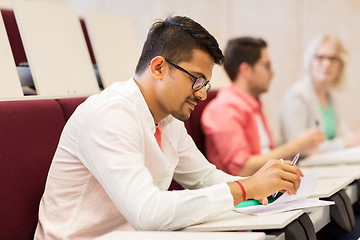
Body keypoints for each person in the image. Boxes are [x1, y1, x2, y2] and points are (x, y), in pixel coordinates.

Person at [35, 17, 303, 239]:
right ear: (159, 67)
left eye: (206, 84)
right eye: (197, 80)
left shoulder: (168, 119)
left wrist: (261, 186)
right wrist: (246, 188)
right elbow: (147, 213)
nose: (202, 94)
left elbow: (204, 178)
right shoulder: (111, 115)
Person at [201, 37, 325, 177]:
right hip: (245, 194)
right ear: (246, 70)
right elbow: (242, 169)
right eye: (266, 66)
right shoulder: (223, 109)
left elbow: (264, 153)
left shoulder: (253, 103)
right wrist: (297, 145)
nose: (272, 72)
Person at [280, 34, 360, 154]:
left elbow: (343, 135)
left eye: (333, 59)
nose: (327, 64)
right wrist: (346, 143)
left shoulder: (331, 96)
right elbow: (296, 146)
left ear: (340, 66)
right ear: (309, 61)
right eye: (320, 57)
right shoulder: (297, 95)